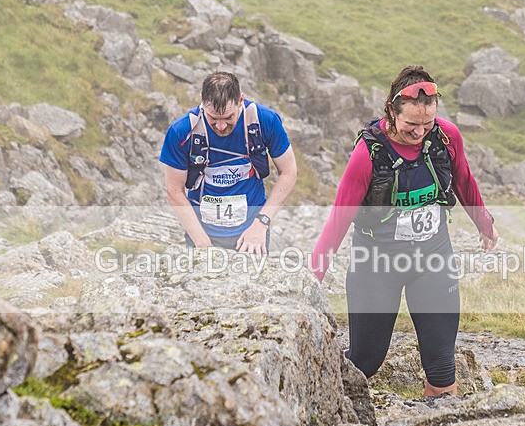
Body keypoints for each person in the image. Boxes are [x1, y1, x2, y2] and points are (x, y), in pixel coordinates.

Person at [310, 65, 499, 398]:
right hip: (376, 265)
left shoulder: (446, 136)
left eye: (427, 123)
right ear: (392, 112)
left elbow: (465, 181)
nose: (420, 132)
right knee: (365, 361)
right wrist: (313, 278)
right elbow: (338, 221)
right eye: (412, 124)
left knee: (442, 365)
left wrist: (485, 223)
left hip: (433, 259)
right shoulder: (368, 155)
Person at [160, 71, 297, 255]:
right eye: (213, 119)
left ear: (240, 100)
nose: (221, 126)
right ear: (202, 101)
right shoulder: (182, 131)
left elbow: (288, 172)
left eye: (228, 118)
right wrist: (202, 245)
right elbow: (174, 190)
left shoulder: (265, 121)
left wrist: (261, 223)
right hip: (201, 232)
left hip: (252, 232)